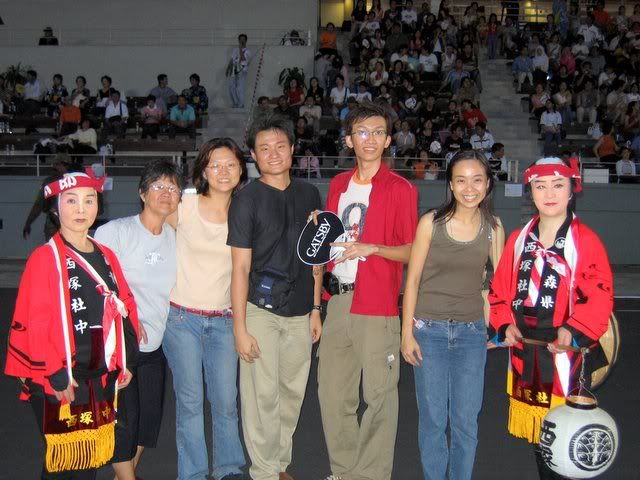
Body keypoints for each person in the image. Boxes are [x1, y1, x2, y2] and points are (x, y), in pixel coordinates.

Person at [5, 169, 139, 480]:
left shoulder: (107, 256)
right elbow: (36, 321)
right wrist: (56, 373)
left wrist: (125, 359)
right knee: (64, 462)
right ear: (56, 208)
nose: (81, 209)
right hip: (61, 376)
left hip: (97, 375)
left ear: (98, 206)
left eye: (89, 200)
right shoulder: (45, 258)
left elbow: (124, 306)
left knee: (90, 457)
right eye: (71, 201)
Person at [488, 156, 613, 479]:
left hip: (566, 354)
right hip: (526, 351)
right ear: (531, 192)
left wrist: (572, 331)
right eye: (540, 186)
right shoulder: (518, 239)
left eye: (558, 185)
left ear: (572, 190)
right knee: (543, 441)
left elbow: (599, 295)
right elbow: (500, 291)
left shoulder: (585, 240)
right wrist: (505, 324)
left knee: (568, 438)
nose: (549, 193)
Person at [318, 102, 418, 480]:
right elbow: (330, 241)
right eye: (363, 132)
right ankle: (343, 472)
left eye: (378, 132)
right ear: (349, 140)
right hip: (338, 300)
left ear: (388, 140)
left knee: (378, 397)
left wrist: (374, 248)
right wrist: (319, 225)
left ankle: (369, 476)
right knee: (333, 394)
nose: (371, 139)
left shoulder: (400, 188)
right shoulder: (339, 184)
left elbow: (411, 250)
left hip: (376, 301)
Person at [228, 116, 322, 480]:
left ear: (293, 149)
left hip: (300, 312)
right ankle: (264, 472)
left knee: (291, 394)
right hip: (260, 312)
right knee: (260, 397)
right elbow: (239, 268)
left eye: (280, 145)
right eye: (264, 148)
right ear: (253, 155)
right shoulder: (246, 199)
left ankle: (279, 464)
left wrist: (315, 308)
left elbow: (317, 256)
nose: (273, 153)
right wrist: (240, 326)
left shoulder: (310, 194)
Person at [402, 149, 503, 480]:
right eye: (461, 180)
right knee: (433, 419)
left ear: (488, 185)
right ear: (451, 184)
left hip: (471, 335)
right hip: (428, 332)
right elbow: (412, 281)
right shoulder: (431, 223)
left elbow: (494, 285)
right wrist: (407, 335)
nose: (469, 188)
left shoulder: (493, 228)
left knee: (465, 421)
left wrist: (494, 329)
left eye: (477, 180)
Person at [163, 138, 249, 480]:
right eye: (215, 165)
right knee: (190, 402)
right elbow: (148, 233)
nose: (223, 171)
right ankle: (194, 473)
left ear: (242, 169)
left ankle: (228, 467)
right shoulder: (183, 205)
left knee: (227, 401)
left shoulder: (246, 210)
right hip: (182, 318)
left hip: (225, 321)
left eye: (230, 164)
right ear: (203, 170)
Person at [94, 160, 180, 480]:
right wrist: (123, 313)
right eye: (158, 186)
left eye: (172, 188)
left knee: (147, 425)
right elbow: (95, 282)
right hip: (120, 347)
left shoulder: (175, 238)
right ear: (142, 193)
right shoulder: (116, 232)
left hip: (154, 346)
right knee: (123, 423)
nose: (166, 193)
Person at [228, 34, 252, 108]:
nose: (242, 40)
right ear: (238, 40)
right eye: (240, 39)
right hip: (234, 70)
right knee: (231, 87)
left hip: (242, 70)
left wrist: (240, 48)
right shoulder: (235, 49)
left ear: (246, 40)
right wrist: (228, 69)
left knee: (239, 88)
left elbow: (242, 59)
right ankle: (235, 103)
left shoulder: (248, 51)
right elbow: (232, 60)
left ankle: (241, 104)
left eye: (243, 39)